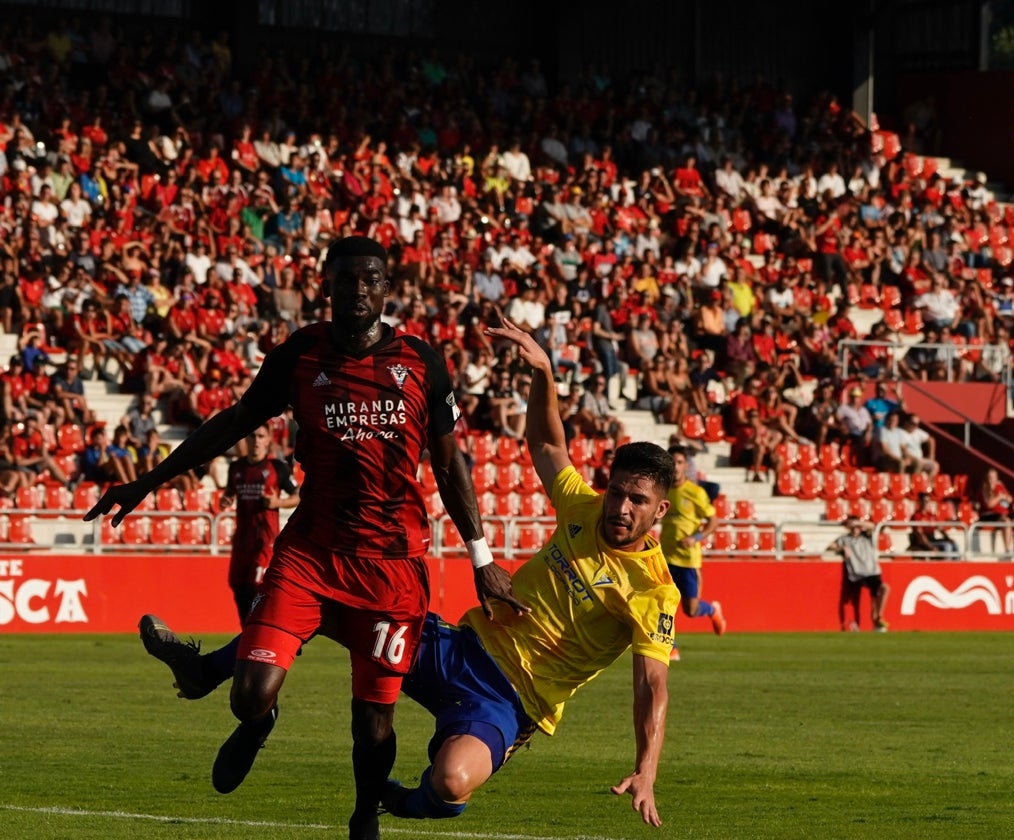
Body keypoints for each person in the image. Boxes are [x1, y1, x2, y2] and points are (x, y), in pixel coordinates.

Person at [138, 314, 681, 827]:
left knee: (450, 780)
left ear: (660, 510)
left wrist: (648, 768)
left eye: (637, 500)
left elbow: (652, 685)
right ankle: (209, 673)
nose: (621, 508)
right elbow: (545, 444)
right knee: (333, 602)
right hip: (458, 648)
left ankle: (393, 802)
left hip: (513, 702)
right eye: (617, 493)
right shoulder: (583, 508)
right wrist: (543, 373)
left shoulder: (654, 591)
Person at [86, 235, 524, 840]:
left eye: (371, 278)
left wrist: (482, 557)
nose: (359, 289)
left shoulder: (423, 361)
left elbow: (450, 464)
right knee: (250, 696)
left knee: (372, 725)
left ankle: (364, 814)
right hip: (310, 554)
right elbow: (235, 422)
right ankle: (257, 720)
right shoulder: (300, 355)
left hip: (392, 569)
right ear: (327, 285)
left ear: (387, 287)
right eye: (347, 279)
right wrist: (147, 482)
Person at [220, 424, 299, 624]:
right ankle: (248, 633)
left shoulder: (277, 468)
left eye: (261, 436)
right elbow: (230, 492)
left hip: (265, 539)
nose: (256, 441)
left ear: (268, 440)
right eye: (252, 436)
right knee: (237, 584)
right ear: (247, 440)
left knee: (255, 586)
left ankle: (275, 627)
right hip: (242, 539)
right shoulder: (236, 468)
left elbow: (298, 495)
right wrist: (226, 498)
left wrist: (278, 503)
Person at [660, 444, 725, 660]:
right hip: (664, 557)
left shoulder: (695, 492)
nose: (676, 467)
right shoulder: (662, 489)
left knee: (691, 609)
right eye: (673, 462)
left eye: (679, 463)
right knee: (662, 602)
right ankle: (671, 647)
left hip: (688, 560)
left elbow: (714, 521)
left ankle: (712, 610)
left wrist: (695, 538)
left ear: (686, 466)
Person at [827, 516, 889, 632]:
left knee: (884, 590)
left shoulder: (867, 537)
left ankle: (878, 617)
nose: (855, 528)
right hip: (858, 574)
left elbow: (874, 526)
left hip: (872, 572)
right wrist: (842, 548)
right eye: (853, 526)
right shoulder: (845, 539)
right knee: (862, 600)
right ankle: (873, 623)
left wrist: (859, 522)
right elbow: (830, 546)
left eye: (857, 526)